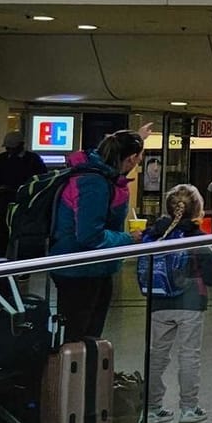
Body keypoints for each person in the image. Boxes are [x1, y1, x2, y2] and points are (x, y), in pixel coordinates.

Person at [51, 129, 146, 342]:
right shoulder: (94, 183)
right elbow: (89, 236)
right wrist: (128, 239)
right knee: (78, 335)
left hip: (92, 268)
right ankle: (73, 374)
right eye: (139, 157)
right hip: (79, 270)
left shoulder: (101, 174)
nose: (139, 162)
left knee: (85, 335)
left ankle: (86, 372)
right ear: (131, 159)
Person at [140, 184, 212, 423]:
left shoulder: (153, 234)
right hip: (191, 302)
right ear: (197, 210)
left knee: (156, 355)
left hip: (158, 301)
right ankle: (189, 408)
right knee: (189, 355)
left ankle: (152, 409)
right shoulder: (196, 238)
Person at [0, 131, 47, 256]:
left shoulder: (33, 160)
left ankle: (21, 261)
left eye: (12, 148)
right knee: (2, 234)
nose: (10, 151)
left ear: (21, 145)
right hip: (5, 203)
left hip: (24, 204)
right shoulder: (1, 159)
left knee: (22, 234)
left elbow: (40, 181)